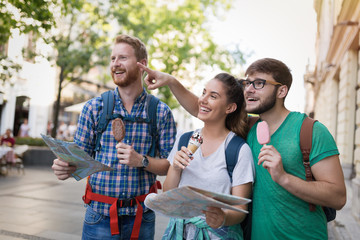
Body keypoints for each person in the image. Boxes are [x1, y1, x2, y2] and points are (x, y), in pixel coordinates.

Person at [138, 57, 347, 239]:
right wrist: (171, 81)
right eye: (247, 83)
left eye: (259, 83)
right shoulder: (252, 129)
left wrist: (284, 178)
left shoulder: (310, 131)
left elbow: (338, 197)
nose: (248, 89)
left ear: (282, 90)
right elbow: (207, 109)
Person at [51, 34, 177, 240]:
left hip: (141, 216)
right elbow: (80, 160)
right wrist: (64, 167)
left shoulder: (160, 112)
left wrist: (141, 161)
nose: (115, 64)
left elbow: (169, 167)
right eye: (112, 58)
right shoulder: (94, 107)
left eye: (123, 58)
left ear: (142, 64)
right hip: (99, 216)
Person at [161, 73, 254, 239]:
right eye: (204, 92)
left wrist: (223, 217)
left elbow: (240, 209)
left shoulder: (239, 150)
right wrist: (175, 168)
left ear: (230, 108)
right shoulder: (184, 139)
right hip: (180, 233)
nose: (203, 99)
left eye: (213, 96)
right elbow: (168, 193)